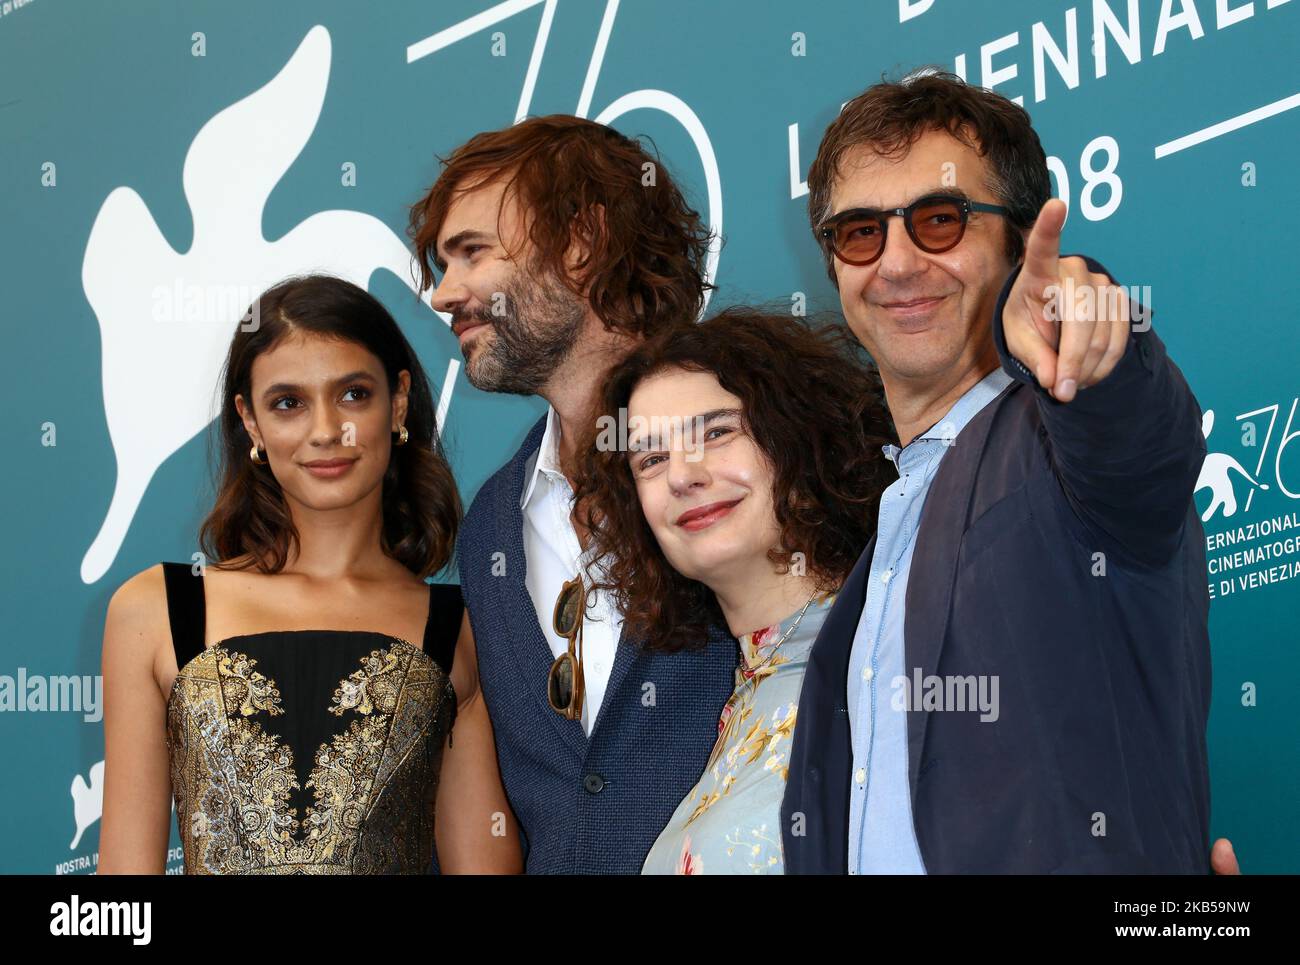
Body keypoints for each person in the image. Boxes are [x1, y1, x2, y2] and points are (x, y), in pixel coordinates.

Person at [781, 70, 1228, 873]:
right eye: (861, 232)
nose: (896, 263)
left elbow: (1141, 443)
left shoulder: (1061, 448)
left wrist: (1092, 344)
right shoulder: (884, 543)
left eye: (940, 220)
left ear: (1020, 244)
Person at [98, 275, 520, 874]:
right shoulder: (155, 610)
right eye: (288, 403)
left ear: (398, 402)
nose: (326, 430)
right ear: (251, 422)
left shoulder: (454, 627)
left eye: (353, 394)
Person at [408, 115, 737, 873]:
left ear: (582, 242)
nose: (443, 293)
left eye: (472, 252)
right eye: (441, 263)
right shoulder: (489, 525)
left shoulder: (757, 447)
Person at [573, 308, 892, 873]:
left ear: (800, 437)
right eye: (652, 458)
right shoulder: (747, 687)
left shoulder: (891, 655)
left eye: (717, 433)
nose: (682, 475)